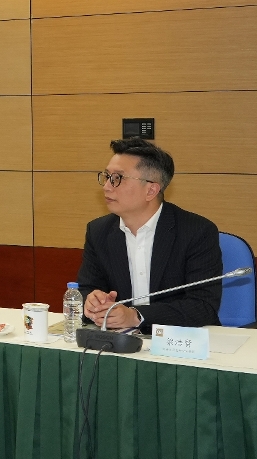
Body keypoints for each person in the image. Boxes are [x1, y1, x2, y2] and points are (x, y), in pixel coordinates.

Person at [78, 138, 222, 331]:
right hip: (121, 339)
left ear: (151, 190)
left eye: (118, 178)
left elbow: (203, 306)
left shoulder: (196, 231)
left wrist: (136, 316)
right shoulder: (98, 231)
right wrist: (92, 301)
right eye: (107, 176)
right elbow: (86, 289)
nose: (106, 186)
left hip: (178, 339)